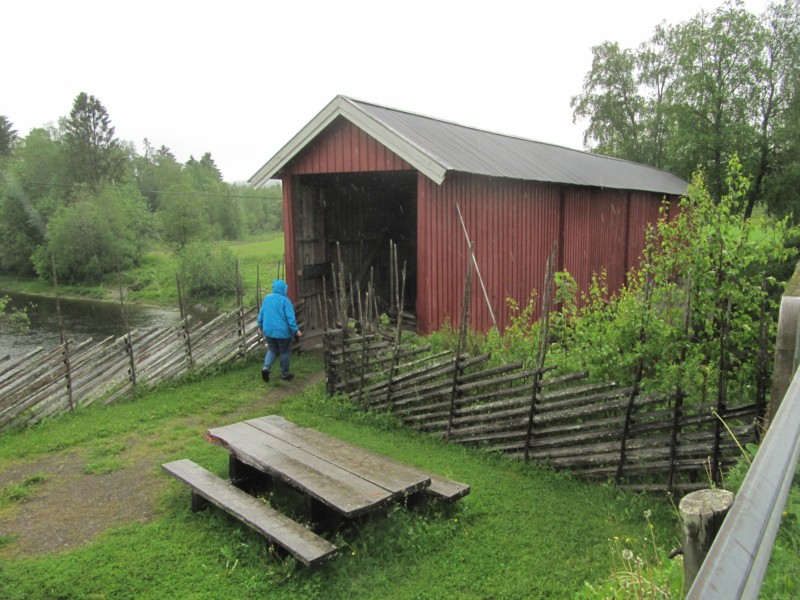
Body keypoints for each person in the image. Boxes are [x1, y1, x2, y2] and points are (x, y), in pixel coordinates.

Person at [257, 279, 302, 382]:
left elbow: (261, 314)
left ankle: (266, 368)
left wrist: (260, 326)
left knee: (272, 349)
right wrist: (296, 330)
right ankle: (285, 374)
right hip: (283, 333)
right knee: (284, 351)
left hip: (268, 331)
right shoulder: (285, 301)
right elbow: (290, 319)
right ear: (283, 289)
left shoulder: (267, 299)